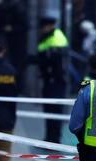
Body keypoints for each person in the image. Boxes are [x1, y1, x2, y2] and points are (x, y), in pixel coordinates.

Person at [36, 15, 69, 143]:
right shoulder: (48, 37)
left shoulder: (56, 39)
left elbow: (52, 60)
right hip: (49, 80)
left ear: (49, 26)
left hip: (56, 81)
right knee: (49, 110)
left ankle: (54, 140)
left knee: (54, 110)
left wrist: (37, 60)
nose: (41, 29)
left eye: (43, 27)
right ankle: (49, 138)